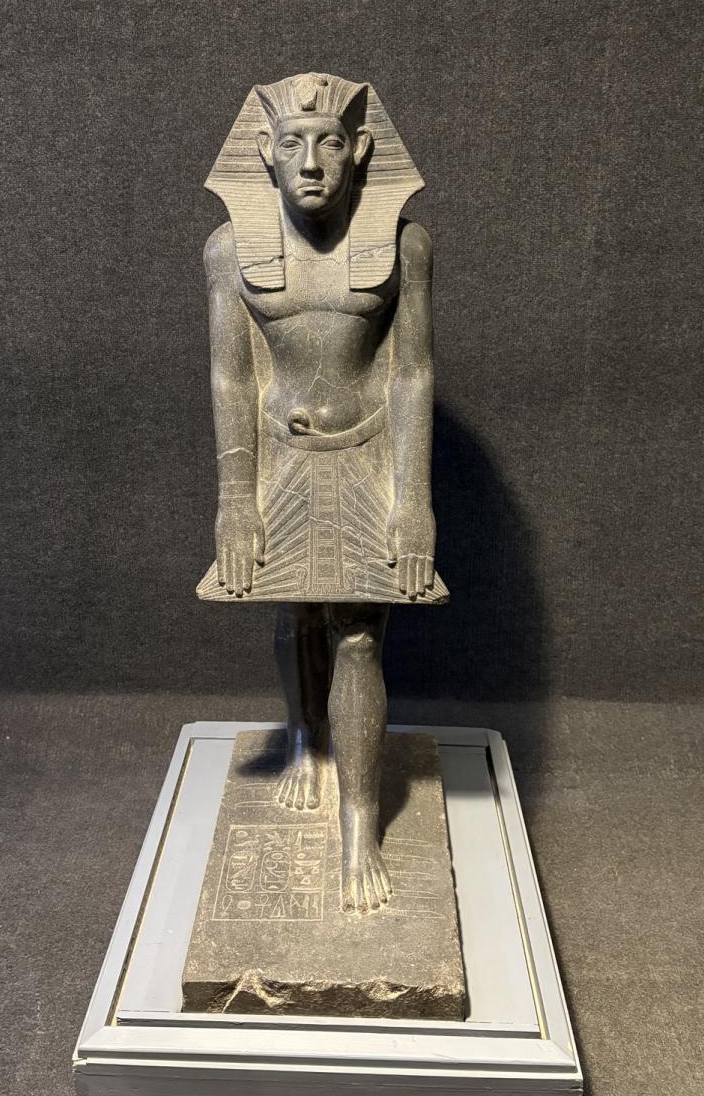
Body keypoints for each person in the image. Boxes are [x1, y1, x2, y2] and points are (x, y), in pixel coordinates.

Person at [198, 73, 447, 913]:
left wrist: (413, 500)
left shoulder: (404, 248)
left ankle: (358, 823)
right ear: (263, 154)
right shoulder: (229, 251)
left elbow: (411, 374)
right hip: (279, 457)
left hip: (367, 454)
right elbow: (232, 377)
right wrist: (236, 499)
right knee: (295, 611)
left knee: (360, 637)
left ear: (361, 151)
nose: (311, 162)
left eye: (330, 141)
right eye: (292, 143)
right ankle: (306, 737)